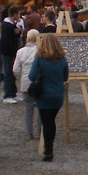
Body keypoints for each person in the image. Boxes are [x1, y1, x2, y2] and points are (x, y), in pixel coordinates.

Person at [28, 33, 69, 162]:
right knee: (51, 121)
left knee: (47, 122)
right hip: (57, 94)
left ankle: (48, 152)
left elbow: (31, 76)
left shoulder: (39, 59)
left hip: (44, 94)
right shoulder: (62, 60)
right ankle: (49, 150)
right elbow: (65, 77)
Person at [13, 29, 41, 140]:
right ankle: (40, 130)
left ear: (27, 38)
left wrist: (19, 77)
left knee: (28, 108)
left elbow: (15, 69)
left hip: (26, 83)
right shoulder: (40, 50)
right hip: (39, 83)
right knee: (40, 108)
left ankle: (29, 132)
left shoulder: (20, 52)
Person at [0, 6, 23, 100]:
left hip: (11, 53)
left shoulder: (11, 25)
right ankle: (7, 95)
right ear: (15, 14)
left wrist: (18, 32)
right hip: (8, 54)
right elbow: (7, 42)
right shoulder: (8, 26)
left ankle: (13, 93)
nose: (20, 15)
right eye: (18, 13)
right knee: (8, 73)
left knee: (12, 73)